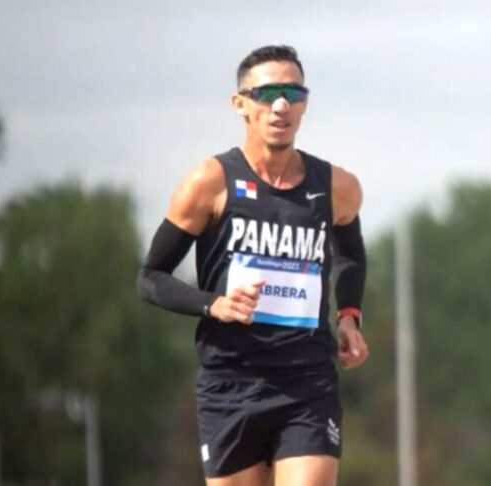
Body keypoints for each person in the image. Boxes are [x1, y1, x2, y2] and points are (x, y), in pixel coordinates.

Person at [137, 45, 368, 486]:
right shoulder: (209, 182)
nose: (281, 106)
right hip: (231, 380)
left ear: (305, 103)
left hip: (307, 381)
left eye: (293, 93)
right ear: (239, 103)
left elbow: (351, 254)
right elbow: (150, 277)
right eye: (266, 93)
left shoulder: (337, 187)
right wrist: (213, 304)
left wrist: (349, 316)